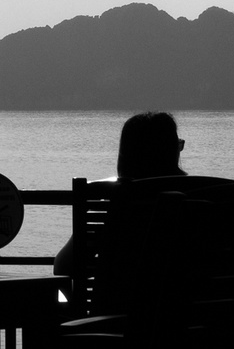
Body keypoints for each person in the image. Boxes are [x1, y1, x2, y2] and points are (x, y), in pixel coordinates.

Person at [55, 111, 186, 276]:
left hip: (120, 300)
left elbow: (63, 266)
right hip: (182, 299)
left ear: (126, 156)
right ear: (172, 153)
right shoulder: (205, 198)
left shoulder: (113, 205)